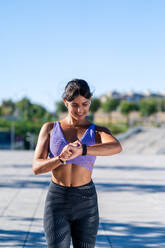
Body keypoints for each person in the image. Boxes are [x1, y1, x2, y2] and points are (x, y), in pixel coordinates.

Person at [32, 78, 122, 248]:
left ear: (90, 102)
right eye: (74, 104)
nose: (80, 110)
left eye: (85, 104)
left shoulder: (97, 131)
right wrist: (60, 158)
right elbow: (36, 167)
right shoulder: (50, 128)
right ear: (65, 102)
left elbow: (117, 147)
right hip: (57, 199)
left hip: (86, 201)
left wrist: (83, 150)